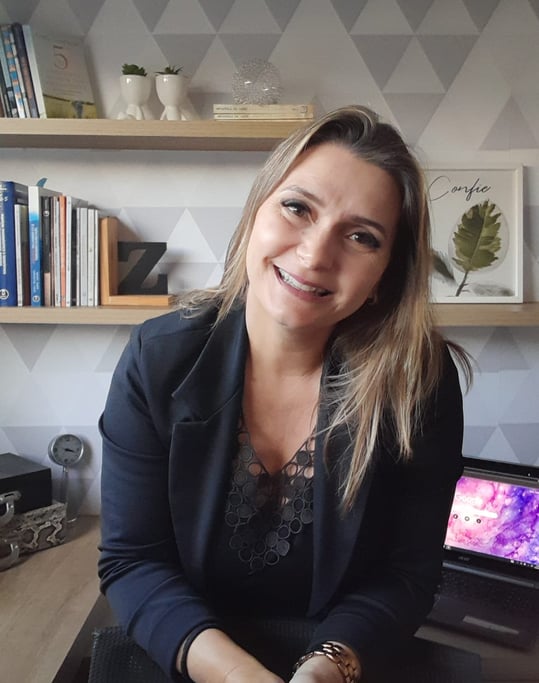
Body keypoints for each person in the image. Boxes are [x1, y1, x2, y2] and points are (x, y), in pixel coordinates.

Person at [99, 105, 472, 683]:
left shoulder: (420, 380)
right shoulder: (157, 358)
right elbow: (133, 561)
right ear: (256, 214)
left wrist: (326, 670)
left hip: (342, 661)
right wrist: (236, 676)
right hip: (190, 656)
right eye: (298, 208)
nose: (316, 255)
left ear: (384, 278)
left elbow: (407, 576)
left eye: (361, 236)